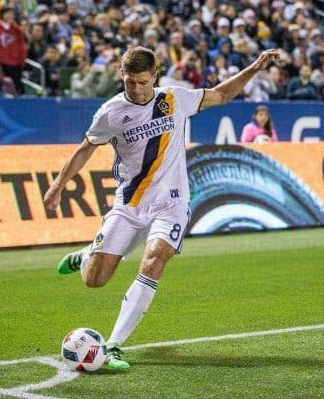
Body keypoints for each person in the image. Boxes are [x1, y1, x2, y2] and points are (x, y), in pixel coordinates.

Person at [43, 46, 279, 370]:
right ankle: (87, 256)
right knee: (95, 279)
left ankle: (113, 345)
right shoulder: (111, 112)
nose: (137, 90)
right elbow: (86, 148)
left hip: (172, 202)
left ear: (154, 75)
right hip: (130, 203)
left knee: (154, 260)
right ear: (121, 76)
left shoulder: (175, 98)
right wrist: (58, 186)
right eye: (130, 83)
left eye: (143, 82)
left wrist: (255, 66)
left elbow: (222, 95)